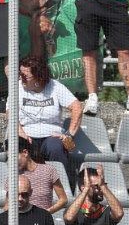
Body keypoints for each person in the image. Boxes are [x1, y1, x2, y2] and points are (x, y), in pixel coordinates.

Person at [15, 55, 82, 185]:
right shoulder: (17, 88)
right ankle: (22, 188)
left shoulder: (55, 87)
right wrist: (20, 132)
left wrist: (69, 135)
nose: (20, 78)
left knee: (55, 147)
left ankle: (63, 188)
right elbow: (10, 113)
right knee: (19, 149)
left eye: (24, 76)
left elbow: (77, 107)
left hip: (51, 135)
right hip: (26, 134)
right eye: (20, 74)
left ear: (38, 77)